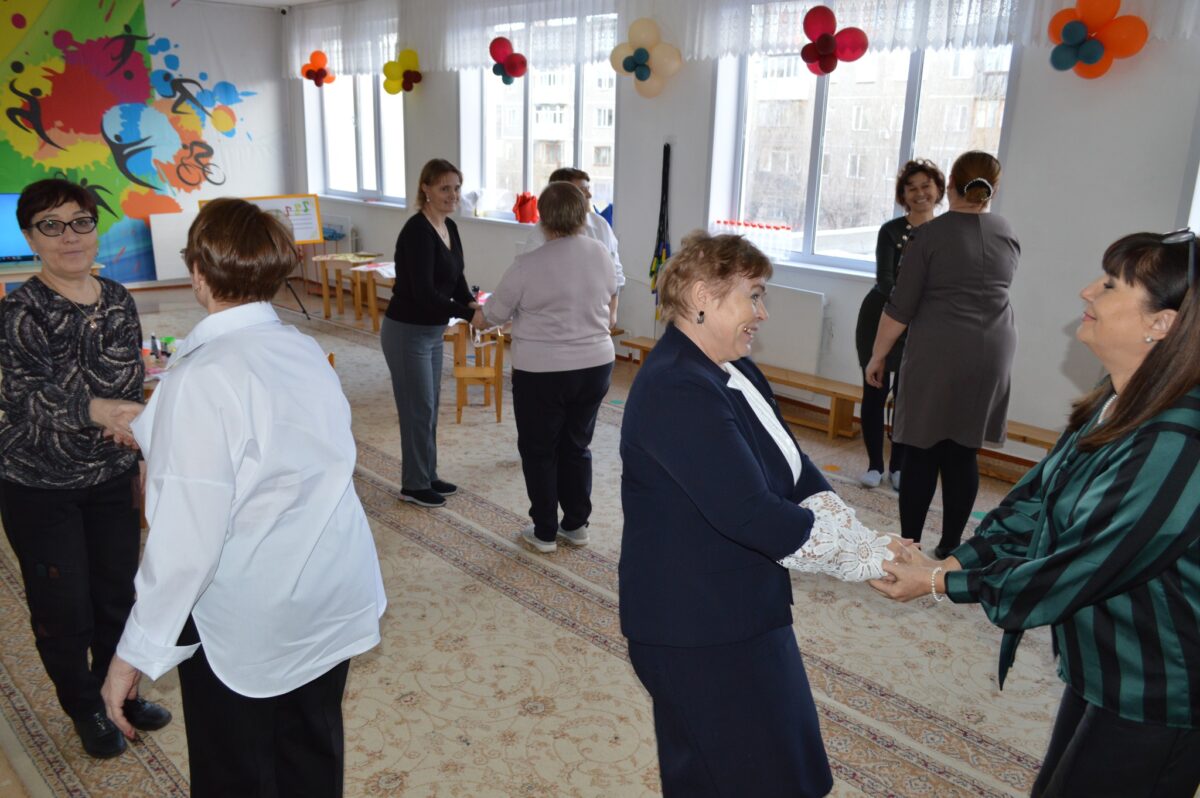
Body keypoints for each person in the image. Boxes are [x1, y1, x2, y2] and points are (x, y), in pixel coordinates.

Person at [871, 231, 1200, 798]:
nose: (1087, 291)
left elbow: (1078, 565)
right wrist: (952, 561)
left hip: (1160, 687)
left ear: (1162, 324)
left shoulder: (1177, 442)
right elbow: (1037, 501)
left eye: (1110, 285)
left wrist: (941, 583)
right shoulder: (1118, 398)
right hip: (1110, 663)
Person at [99, 198, 387, 796]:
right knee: (310, 755)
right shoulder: (302, 348)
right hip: (330, 593)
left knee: (237, 773)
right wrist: (158, 427)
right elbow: (277, 452)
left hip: (254, 617)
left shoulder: (199, 379)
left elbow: (186, 544)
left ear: (198, 272)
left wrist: (132, 655)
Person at [620, 233, 904, 796]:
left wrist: (867, 539)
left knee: (786, 766)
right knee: (735, 776)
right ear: (703, 296)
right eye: (753, 295)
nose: (763, 312)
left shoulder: (734, 370)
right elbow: (751, 514)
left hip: (741, 608)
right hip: (694, 627)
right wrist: (866, 559)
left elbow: (795, 469)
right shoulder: (677, 386)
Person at [0, 178, 171, 759]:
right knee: (64, 607)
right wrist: (96, 411)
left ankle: (117, 692)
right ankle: (85, 707)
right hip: (39, 484)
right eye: (51, 226)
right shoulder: (20, 310)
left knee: (117, 594)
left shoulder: (117, 297)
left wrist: (136, 448)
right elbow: (25, 397)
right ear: (30, 238)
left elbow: (128, 383)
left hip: (110, 477)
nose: (69, 236)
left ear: (96, 229)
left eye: (80, 222)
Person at [866, 151, 1019, 558]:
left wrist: (878, 356)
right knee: (963, 450)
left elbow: (900, 307)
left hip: (940, 351)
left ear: (950, 185)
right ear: (993, 188)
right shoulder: (1006, 231)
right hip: (994, 350)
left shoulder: (930, 235)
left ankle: (910, 546)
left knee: (921, 449)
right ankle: (951, 544)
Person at [475, 183, 616, 553]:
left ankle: (544, 531)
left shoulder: (528, 264)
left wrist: (475, 314)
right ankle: (576, 524)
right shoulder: (601, 254)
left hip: (543, 371)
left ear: (542, 217)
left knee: (540, 449)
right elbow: (608, 293)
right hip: (595, 365)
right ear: (583, 214)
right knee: (577, 444)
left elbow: (493, 315)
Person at [381, 158, 479, 508]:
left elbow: (457, 277)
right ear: (426, 188)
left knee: (429, 406)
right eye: (444, 188)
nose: (453, 195)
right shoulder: (417, 232)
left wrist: (471, 303)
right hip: (407, 333)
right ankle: (413, 485)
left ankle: (427, 474)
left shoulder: (448, 226)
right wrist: (466, 313)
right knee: (417, 409)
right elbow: (424, 293)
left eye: (456, 187)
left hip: (432, 333)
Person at [853, 159, 945, 490]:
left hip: (922, 325)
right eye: (911, 188)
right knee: (875, 391)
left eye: (926, 186)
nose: (920, 193)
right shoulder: (890, 231)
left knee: (907, 398)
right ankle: (874, 465)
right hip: (880, 318)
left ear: (938, 190)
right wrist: (911, 307)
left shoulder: (946, 232)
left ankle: (898, 466)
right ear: (902, 195)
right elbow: (885, 280)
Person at [519, 167, 624, 328]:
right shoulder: (540, 233)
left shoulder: (601, 225)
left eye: (588, 189)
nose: (589, 195)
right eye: (582, 190)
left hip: (596, 319)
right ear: (562, 195)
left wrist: (612, 313)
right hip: (555, 321)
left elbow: (616, 273)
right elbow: (529, 278)